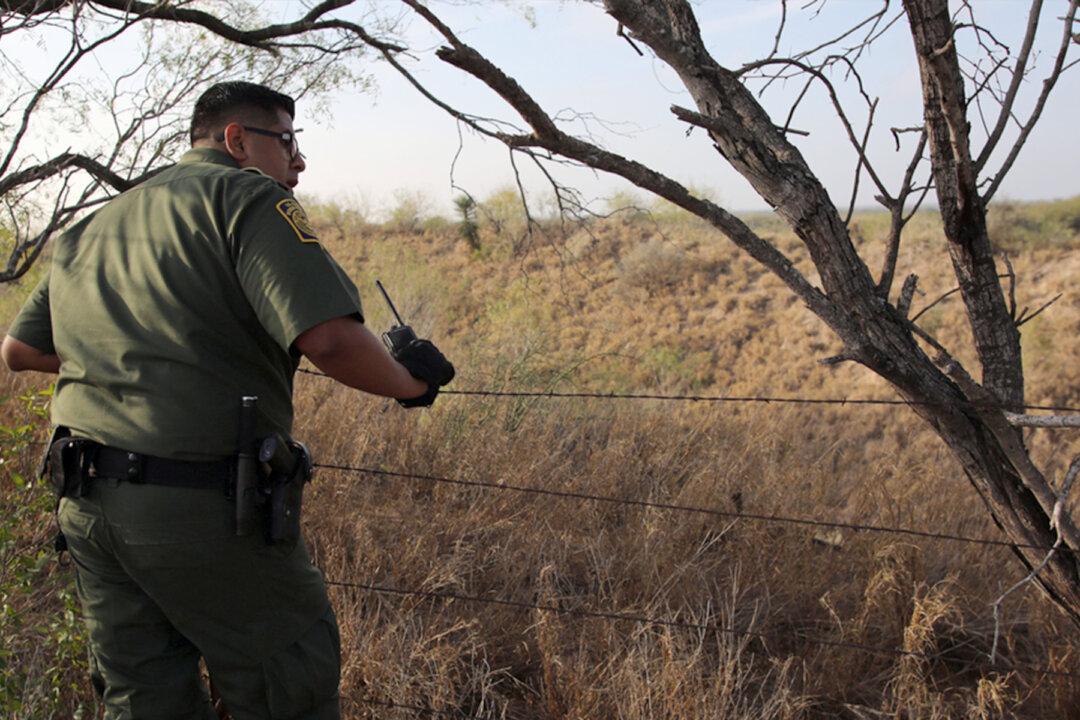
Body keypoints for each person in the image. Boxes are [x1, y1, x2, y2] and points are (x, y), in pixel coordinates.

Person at [2, 81, 454, 719]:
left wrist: (137, 356)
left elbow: (19, 351)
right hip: (200, 506)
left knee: (143, 699)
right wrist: (414, 383)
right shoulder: (246, 197)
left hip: (87, 504)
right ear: (238, 140)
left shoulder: (99, 221)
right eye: (289, 141)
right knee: (287, 684)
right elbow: (327, 338)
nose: (298, 162)